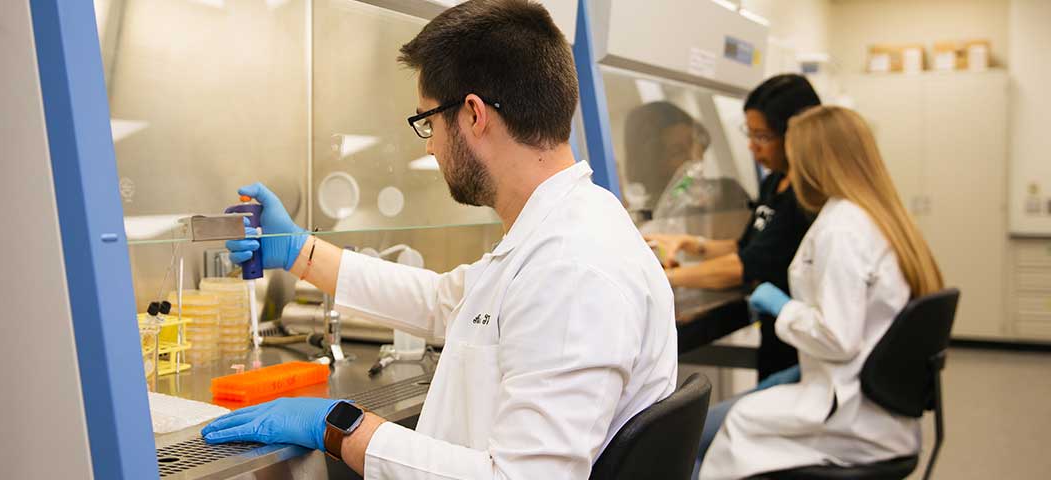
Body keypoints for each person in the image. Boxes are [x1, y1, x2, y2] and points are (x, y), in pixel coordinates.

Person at [200, 1, 678, 478]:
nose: (428, 145)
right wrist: (300, 252)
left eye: (427, 121)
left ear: (473, 114)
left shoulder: (573, 268)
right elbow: (441, 302)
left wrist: (339, 427)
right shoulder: (563, 230)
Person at [697, 106, 944, 479]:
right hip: (875, 408)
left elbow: (837, 337)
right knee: (730, 420)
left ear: (815, 163)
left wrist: (783, 308)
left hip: (851, 415)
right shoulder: (875, 216)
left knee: (732, 430)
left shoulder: (841, 229)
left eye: (795, 161)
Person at [645, 74, 821, 382]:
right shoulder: (774, 183)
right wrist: (690, 243)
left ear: (795, 135)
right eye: (749, 134)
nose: (752, 146)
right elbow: (748, 246)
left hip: (799, 346)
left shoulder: (805, 198)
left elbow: (745, 266)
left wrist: (666, 278)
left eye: (763, 137)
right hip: (775, 335)